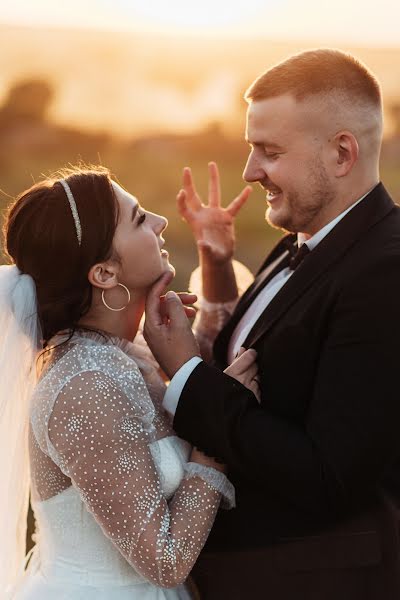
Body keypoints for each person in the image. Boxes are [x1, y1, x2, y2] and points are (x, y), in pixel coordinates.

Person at [143, 49, 400, 599]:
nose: (250, 171)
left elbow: (329, 475)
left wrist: (186, 373)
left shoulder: (387, 271)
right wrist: (216, 266)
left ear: (341, 152)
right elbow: (269, 361)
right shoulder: (299, 243)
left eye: (270, 151)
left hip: (312, 581)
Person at [0, 166, 258, 599]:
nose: (161, 222)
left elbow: (204, 370)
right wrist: (217, 439)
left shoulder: (124, 351)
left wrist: (214, 262)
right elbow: (164, 559)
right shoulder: (84, 384)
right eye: (139, 218)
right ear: (103, 274)